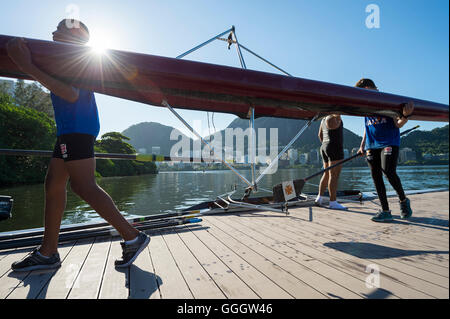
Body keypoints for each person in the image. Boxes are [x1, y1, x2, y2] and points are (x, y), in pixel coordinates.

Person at [7, 19, 150, 271]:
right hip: (69, 128)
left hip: (77, 127)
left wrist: (26, 65)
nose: (54, 31)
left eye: (61, 29)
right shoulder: (63, 56)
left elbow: (72, 93)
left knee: (83, 186)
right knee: (54, 184)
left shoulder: (75, 56)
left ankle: (132, 236)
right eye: (56, 27)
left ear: (76, 38)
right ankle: (48, 252)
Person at [356, 78, 414, 222]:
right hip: (371, 144)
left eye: (364, 91)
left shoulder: (387, 101)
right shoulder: (365, 105)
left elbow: (398, 124)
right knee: (376, 177)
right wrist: (362, 144)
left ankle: (403, 201)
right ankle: (385, 211)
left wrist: (406, 116)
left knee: (388, 171)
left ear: (371, 88)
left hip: (388, 142)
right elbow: (367, 126)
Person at [315, 114, 347, 210]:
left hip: (324, 147)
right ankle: (333, 202)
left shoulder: (324, 118)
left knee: (326, 173)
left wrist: (326, 145)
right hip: (335, 147)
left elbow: (319, 134)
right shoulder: (335, 117)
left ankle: (319, 198)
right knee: (334, 175)